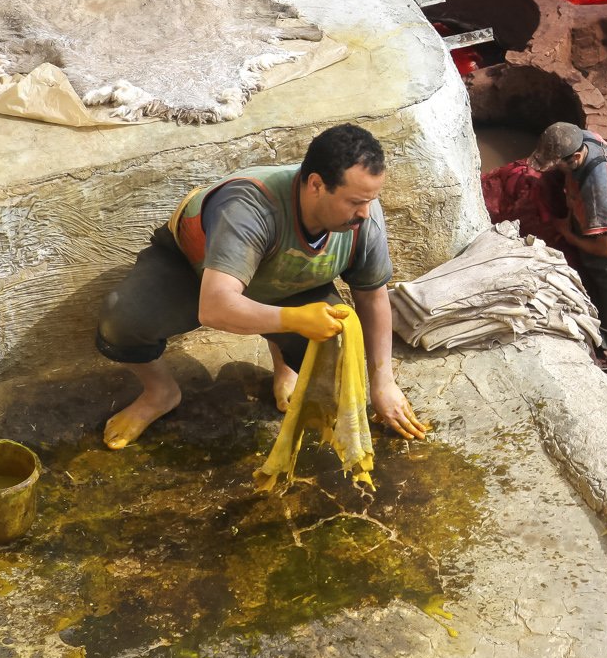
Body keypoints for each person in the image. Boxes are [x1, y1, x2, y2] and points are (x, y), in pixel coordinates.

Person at [95, 123, 428, 449]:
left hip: (293, 282)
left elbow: (372, 298)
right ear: (315, 184)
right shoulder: (249, 205)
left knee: (342, 361)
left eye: (370, 199)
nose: (365, 212)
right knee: (122, 320)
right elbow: (216, 307)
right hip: (195, 273)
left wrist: (383, 383)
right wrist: (295, 321)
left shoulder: (362, 215)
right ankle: (160, 393)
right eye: (355, 201)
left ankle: (283, 365)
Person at [530, 121, 607, 350]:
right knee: (594, 283)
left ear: (574, 158)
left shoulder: (599, 188)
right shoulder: (583, 137)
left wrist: (567, 234)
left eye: (557, 166)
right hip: (596, 217)